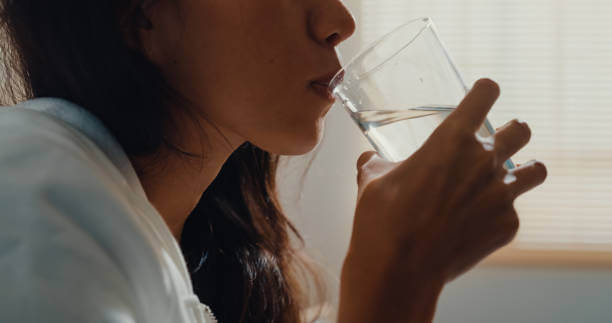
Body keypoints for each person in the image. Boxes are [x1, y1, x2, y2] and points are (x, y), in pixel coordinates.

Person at [0, 0, 547, 322]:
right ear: (141, 16)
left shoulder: (190, 254)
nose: (339, 19)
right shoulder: (30, 177)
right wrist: (397, 280)